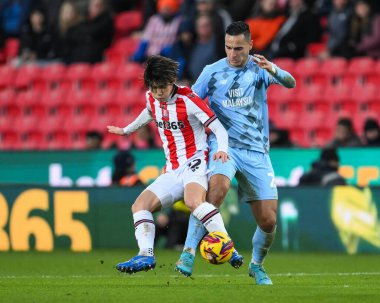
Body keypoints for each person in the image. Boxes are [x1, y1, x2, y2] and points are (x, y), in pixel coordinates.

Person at [175, 21, 296, 285]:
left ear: (251, 45)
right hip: (224, 148)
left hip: (257, 153)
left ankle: (256, 265)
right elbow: (191, 106)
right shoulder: (211, 72)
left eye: (239, 48)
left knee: (268, 220)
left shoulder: (260, 69)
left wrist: (273, 68)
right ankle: (187, 253)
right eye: (228, 47)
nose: (233, 54)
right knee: (215, 192)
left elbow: (291, 82)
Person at [107, 55, 233, 274]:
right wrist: (127, 130)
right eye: (153, 88)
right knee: (139, 206)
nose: (158, 93)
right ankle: (145, 255)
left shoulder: (189, 99)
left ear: (172, 80)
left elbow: (218, 127)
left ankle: (228, 245)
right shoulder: (152, 98)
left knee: (194, 201)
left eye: (162, 88)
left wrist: (222, 149)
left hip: (195, 161)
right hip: (173, 167)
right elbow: (148, 112)